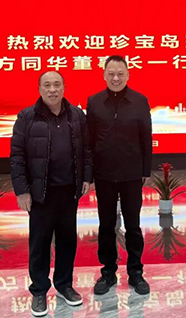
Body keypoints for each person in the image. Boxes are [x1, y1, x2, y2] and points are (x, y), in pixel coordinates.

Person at [10, 71, 92, 317]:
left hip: (69, 191)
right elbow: (17, 156)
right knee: (40, 243)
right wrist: (22, 191)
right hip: (40, 194)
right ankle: (39, 291)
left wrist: (87, 177)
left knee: (67, 241)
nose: (52, 89)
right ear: (39, 89)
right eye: (47, 85)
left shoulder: (76, 115)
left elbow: (87, 150)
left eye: (57, 84)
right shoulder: (27, 117)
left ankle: (64, 285)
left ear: (64, 87)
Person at [87, 55, 153, 296]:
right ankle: (107, 272)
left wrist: (145, 170)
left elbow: (146, 137)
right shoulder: (94, 102)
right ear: (104, 75)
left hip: (131, 174)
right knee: (106, 225)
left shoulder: (140, 101)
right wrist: (89, 174)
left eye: (120, 74)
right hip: (104, 174)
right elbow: (89, 141)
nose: (116, 78)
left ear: (128, 75)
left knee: (133, 225)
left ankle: (135, 272)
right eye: (111, 74)